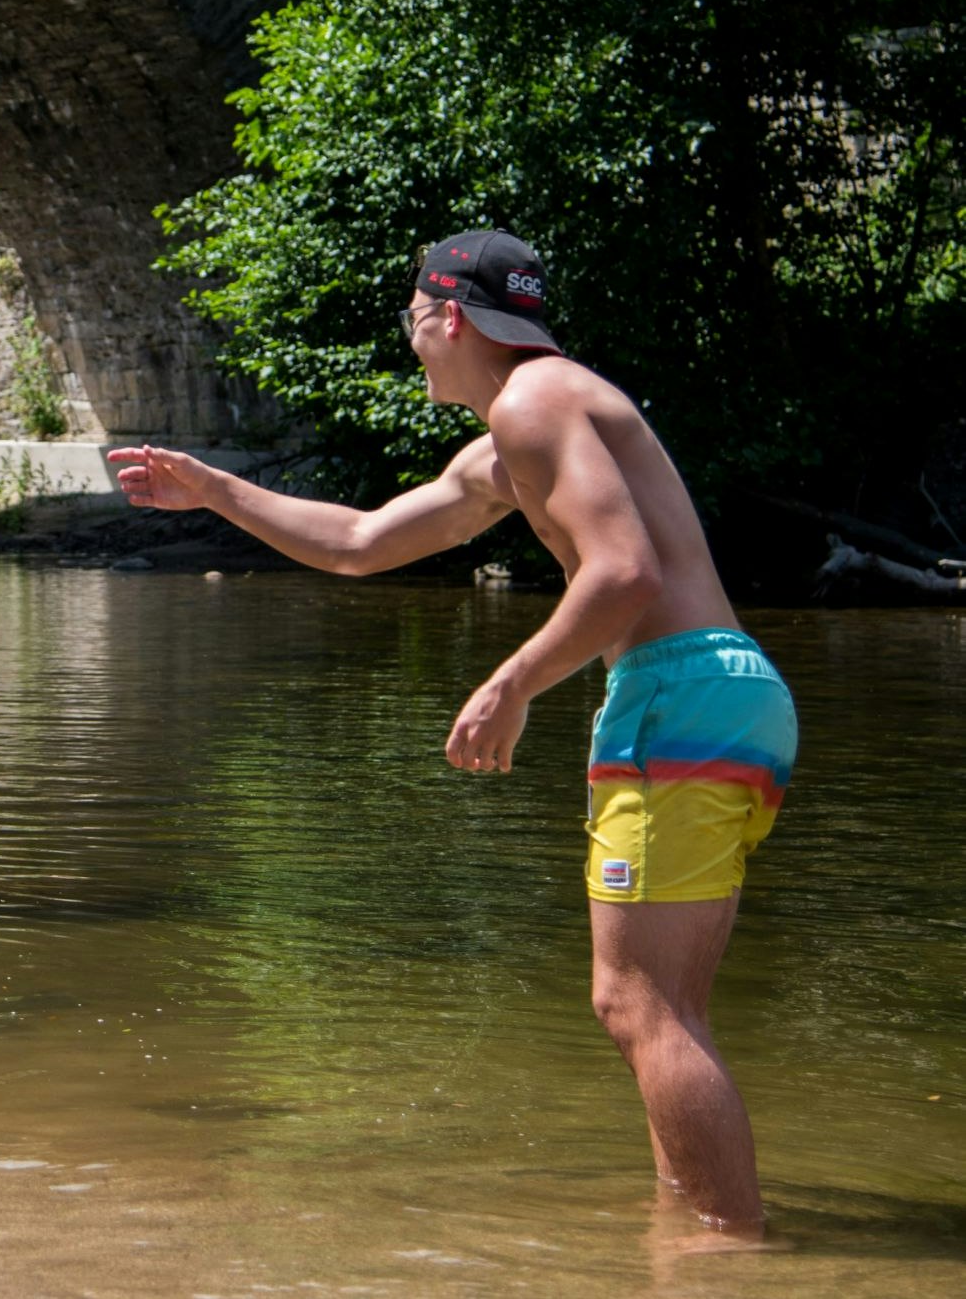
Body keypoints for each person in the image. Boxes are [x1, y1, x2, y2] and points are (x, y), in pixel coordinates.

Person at [111, 230, 794, 1232]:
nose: (414, 344)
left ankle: (726, 1259)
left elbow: (624, 572)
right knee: (662, 1012)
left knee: (636, 1007)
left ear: (449, 317)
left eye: (413, 323)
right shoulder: (521, 428)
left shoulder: (535, 401)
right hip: (733, 692)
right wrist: (218, 492)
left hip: (674, 696)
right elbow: (359, 542)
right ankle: (689, 1237)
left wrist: (511, 683)